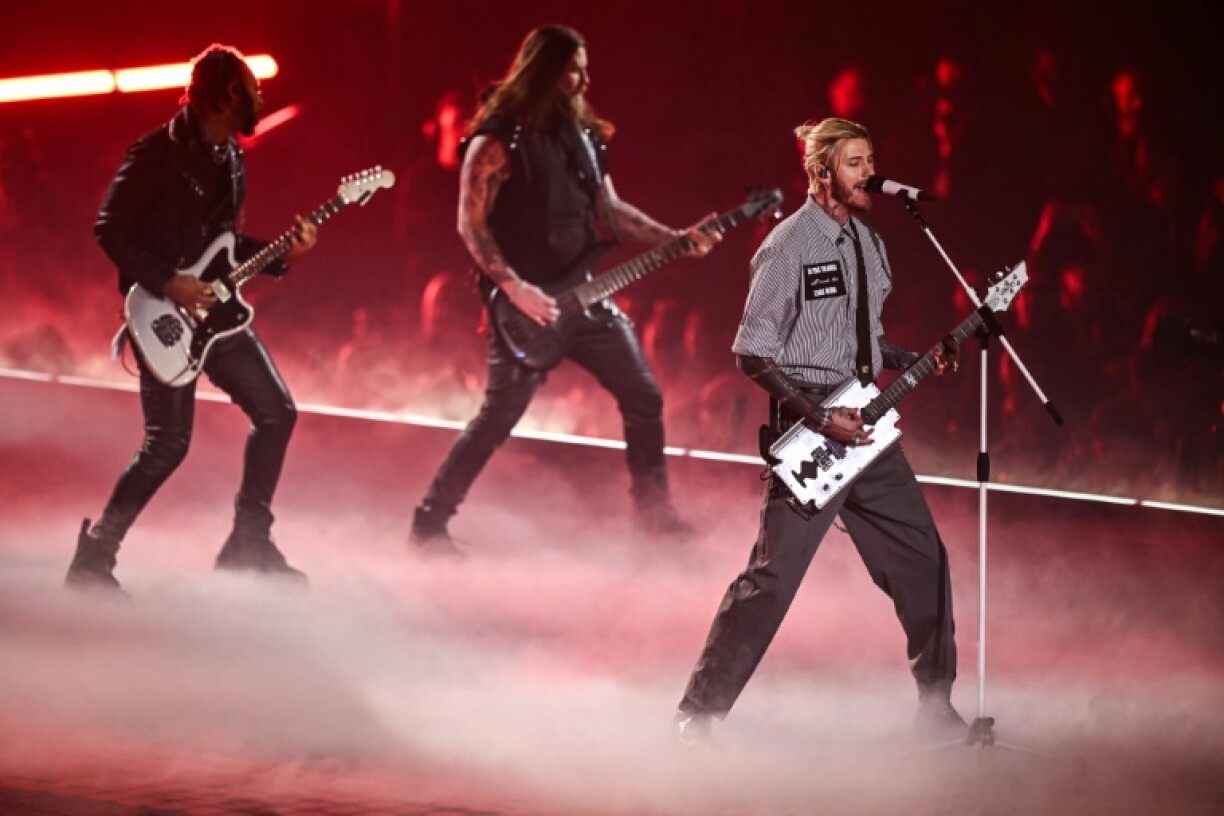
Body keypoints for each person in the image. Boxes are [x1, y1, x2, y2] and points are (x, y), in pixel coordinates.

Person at [674, 118, 963, 742]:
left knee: (925, 560)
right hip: (812, 431)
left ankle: (936, 708)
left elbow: (866, 341)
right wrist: (817, 415)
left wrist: (914, 358)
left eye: (871, 160)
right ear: (822, 170)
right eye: (857, 162)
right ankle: (698, 715)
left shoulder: (870, 243)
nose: (871, 174)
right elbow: (752, 352)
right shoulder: (788, 246)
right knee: (771, 579)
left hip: (869, 433)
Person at [409, 25, 720, 555]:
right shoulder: (496, 140)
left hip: (585, 296)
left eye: (585, 68)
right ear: (546, 73)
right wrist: (513, 288)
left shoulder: (585, 138)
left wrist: (675, 238)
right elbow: (471, 225)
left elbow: (610, 211)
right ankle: (429, 522)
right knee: (497, 418)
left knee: (643, 397)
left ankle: (654, 521)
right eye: (574, 70)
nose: (585, 80)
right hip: (525, 307)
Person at [64, 45, 318, 592]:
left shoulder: (232, 158)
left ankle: (248, 542)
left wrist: (283, 255)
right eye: (252, 90)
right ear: (227, 95)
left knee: (277, 412)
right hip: (162, 314)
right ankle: (94, 558)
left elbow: (223, 244)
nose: (260, 99)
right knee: (168, 444)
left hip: (214, 311)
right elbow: (109, 227)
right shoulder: (158, 151)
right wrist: (167, 282)